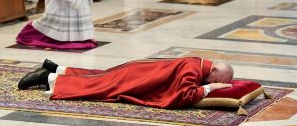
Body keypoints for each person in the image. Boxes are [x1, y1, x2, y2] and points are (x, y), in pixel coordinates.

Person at [18, 57, 233, 109]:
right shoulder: (193, 70)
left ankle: (56, 68)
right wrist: (208, 88)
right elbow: (183, 97)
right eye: (215, 79)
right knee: (98, 87)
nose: (213, 83)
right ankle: (47, 78)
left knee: (99, 76)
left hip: (138, 71)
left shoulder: (199, 64)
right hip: (136, 79)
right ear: (213, 69)